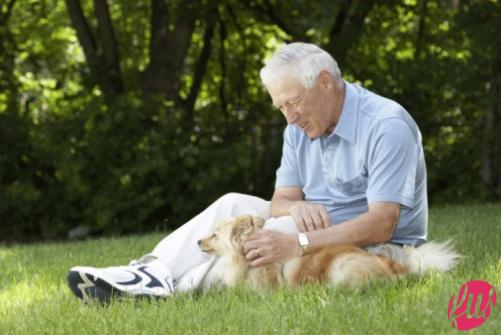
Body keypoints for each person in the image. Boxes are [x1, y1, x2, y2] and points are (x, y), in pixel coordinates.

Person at [67, 42, 427, 302]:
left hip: (379, 246)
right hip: (315, 225)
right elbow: (282, 199)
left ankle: (165, 290)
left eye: (294, 102)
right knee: (232, 203)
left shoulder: (386, 125)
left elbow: (383, 223)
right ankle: (150, 271)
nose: (289, 116)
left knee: (272, 232)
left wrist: (294, 241)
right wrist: (297, 208)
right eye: (281, 106)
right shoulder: (298, 129)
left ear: (325, 82)